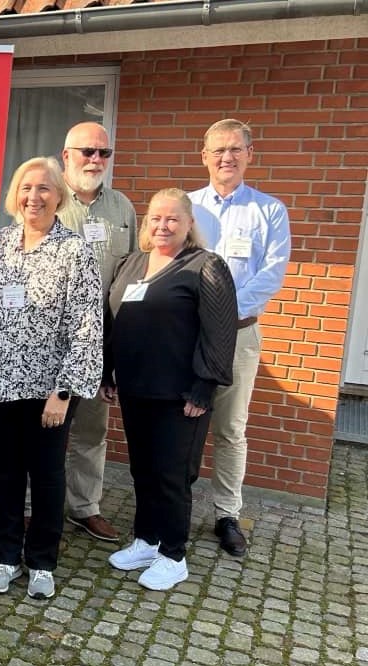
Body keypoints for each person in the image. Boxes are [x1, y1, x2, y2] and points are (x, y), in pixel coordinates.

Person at [0, 156, 103, 600]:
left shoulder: (74, 250)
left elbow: (87, 327)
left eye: (45, 189)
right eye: (27, 188)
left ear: (59, 196)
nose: (35, 196)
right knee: (8, 474)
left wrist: (63, 392)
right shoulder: (2, 242)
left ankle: (43, 563)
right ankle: (6, 557)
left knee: (47, 476)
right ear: (16, 194)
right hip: (0, 384)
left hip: (48, 390)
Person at [104, 188, 238, 590]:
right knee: (142, 470)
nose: (163, 226)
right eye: (155, 218)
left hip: (180, 395)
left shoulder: (205, 266)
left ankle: (173, 554)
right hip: (135, 388)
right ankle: (146, 540)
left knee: (172, 476)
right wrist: (108, 372)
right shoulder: (132, 263)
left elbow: (220, 332)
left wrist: (204, 387)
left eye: (173, 219)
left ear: (189, 224)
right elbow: (113, 320)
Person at [189, 119, 291, 557]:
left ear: (250, 153)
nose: (226, 158)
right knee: (184, 423)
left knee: (231, 429)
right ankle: (170, 506)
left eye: (235, 149)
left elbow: (271, 275)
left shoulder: (269, 211)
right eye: (218, 150)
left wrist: (222, 313)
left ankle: (227, 514)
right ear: (204, 155)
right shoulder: (188, 206)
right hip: (189, 335)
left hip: (240, 336)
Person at [57, 122, 137, 543]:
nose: (96, 160)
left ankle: (84, 507)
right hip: (49, 336)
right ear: (66, 155)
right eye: (87, 151)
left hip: (100, 339)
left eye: (103, 153)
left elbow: (132, 276)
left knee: (92, 429)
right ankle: (40, 509)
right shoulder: (46, 197)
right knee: (45, 427)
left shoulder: (122, 207)